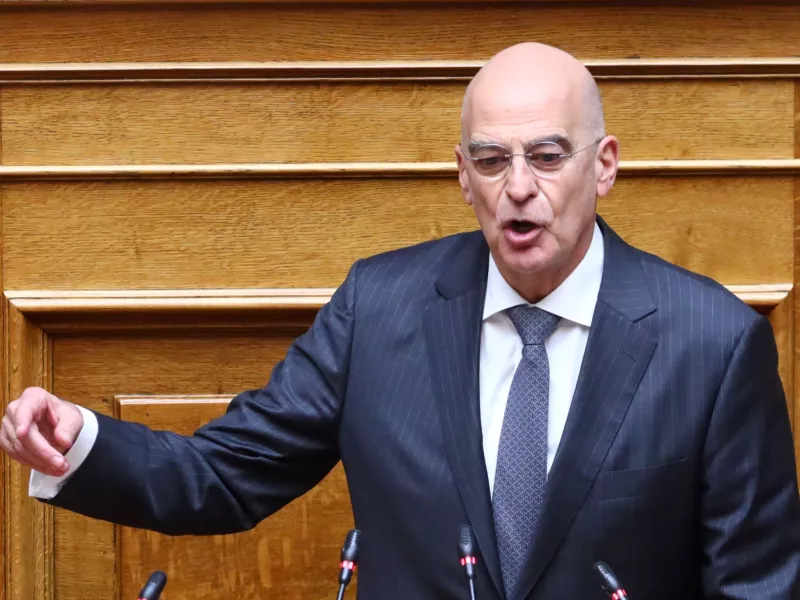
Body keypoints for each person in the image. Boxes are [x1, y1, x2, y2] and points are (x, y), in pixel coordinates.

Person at [2, 42, 799, 600]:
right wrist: (81, 442)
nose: (520, 186)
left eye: (548, 156)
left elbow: (756, 587)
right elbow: (226, 476)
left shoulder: (713, 343)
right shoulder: (377, 308)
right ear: (463, 177)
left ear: (605, 166)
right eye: (492, 160)